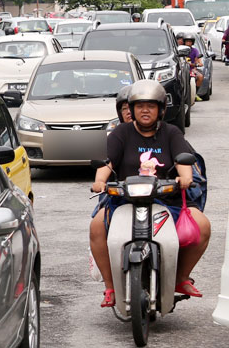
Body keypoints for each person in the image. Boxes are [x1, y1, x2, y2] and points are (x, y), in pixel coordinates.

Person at [88, 80, 211, 307]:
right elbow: (108, 161)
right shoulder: (121, 132)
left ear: (161, 109)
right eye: (140, 106)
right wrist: (100, 181)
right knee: (96, 225)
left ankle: (180, 277)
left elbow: (183, 159)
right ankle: (110, 287)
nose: (145, 110)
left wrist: (185, 177)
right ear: (132, 110)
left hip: (167, 200)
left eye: (151, 106)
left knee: (202, 225)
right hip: (124, 200)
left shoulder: (171, 132)